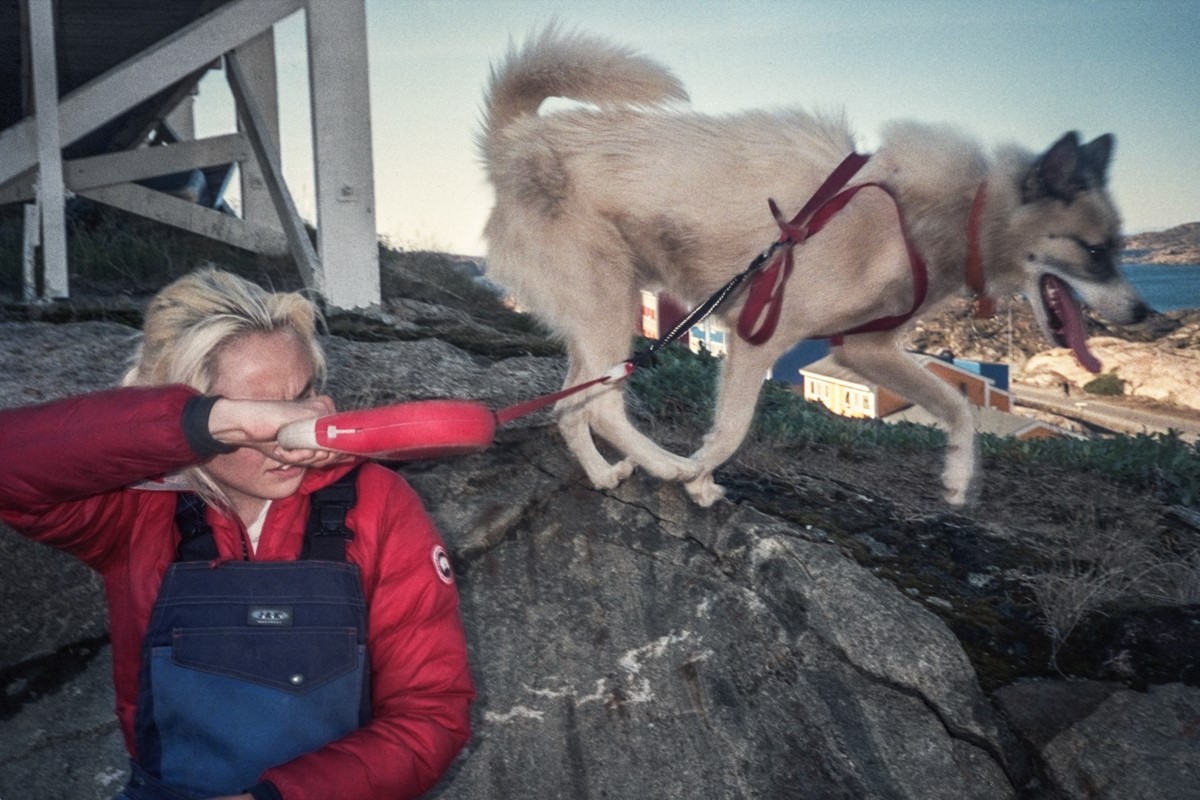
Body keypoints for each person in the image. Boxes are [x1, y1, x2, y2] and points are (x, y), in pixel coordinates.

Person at [0, 269, 474, 800]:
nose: (290, 437)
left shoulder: (378, 503)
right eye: (258, 417)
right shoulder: (131, 507)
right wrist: (216, 424)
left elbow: (431, 714)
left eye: (301, 398)